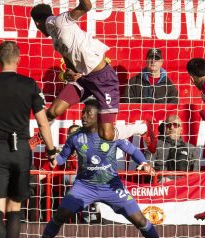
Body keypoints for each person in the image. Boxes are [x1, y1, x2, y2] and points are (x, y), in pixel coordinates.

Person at [29, 3, 156, 153]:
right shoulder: (55, 41)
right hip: (84, 80)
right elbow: (70, 64)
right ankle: (39, 137)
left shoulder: (61, 21)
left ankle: (142, 128)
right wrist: (70, 73)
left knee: (106, 134)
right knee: (52, 112)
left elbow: (86, 6)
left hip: (104, 81)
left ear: (37, 24)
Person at [0, 41, 56, 238]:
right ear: (18, 59)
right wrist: (51, 151)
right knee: (14, 207)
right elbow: (43, 123)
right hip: (21, 150)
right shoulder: (30, 85)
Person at [41, 99, 159, 238]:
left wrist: (144, 163)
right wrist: (55, 160)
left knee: (140, 221)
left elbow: (133, 151)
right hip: (84, 186)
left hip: (111, 185)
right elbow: (62, 158)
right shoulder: (75, 137)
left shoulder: (112, 134)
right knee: (60, 215)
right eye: (83, 112)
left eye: (88, 113)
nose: (83, 116)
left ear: (99, 116)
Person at [145, 115, 200, 182]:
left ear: (181, 130)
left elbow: (196, 174)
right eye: (168, 125)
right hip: (162, 184)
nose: (171, 127)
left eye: (175, 125)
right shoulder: (155, 145)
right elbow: (147, 166)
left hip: (184, 186)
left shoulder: (190, 148)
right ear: (165, 129)